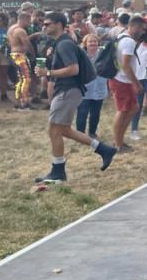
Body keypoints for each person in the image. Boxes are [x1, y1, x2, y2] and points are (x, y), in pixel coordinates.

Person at [32, 11, 116, 182]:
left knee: (54, 130)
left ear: (59, 24)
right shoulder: (60, 43)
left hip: (68, 90)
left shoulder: (64, 44)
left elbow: (73, 69)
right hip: (68, 90)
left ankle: (58, 171)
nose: (44, 26)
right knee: (64, 130)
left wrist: (47, 72)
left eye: (47, 24)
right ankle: (103, 149)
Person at [108, 15, 147, 151]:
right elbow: (126, 65)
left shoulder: (121, 36)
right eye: (142, 29)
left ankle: (119, 139)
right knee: (123, 110)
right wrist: (136, 83)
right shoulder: (129, 42)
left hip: (120, 78)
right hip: (122, 80)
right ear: (135, 26)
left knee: (134, 108)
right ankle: (118, 143)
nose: (143, 32)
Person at [75, 33, 108, 137]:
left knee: (95, 112)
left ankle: (92, 132)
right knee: (82, 112)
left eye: (95, 41)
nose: (93, 43)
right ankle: (80, 134)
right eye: (90, 41)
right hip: (84, 88)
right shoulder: (80, 55)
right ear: (85, 44)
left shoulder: (103, 54)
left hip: (99, 86)